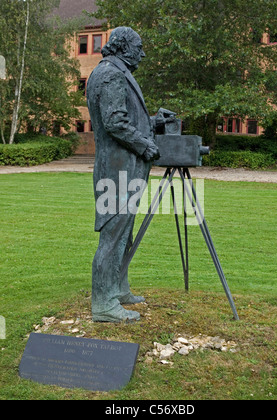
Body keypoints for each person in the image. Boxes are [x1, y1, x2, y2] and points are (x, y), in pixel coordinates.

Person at [87, 27, 172, 322]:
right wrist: (146, 145)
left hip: (122, 168)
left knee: (124, 233)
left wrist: (153, 122)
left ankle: (118, 288)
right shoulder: (111, 73)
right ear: (124, 47)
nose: (143, 53)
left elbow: (126, 118)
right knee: (112, 236)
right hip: (117, 170)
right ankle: (103, 304)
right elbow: (114, 123)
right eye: (138, 47)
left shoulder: (111, 71)